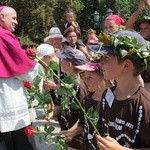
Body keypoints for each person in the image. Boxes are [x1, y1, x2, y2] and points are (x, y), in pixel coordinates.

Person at [94, 31, 150, 149]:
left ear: (126, 65)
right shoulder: (107, 94)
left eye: (106, 58)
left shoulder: (145, 105)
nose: (100, 63)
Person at [0, 6, 38, 150]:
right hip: (7, 96)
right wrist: (36, 66)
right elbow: (22, 69)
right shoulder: (3, 35)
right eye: (13, 18)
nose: (16, 22)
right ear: (2, 17)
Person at [61, 62, 112, 150]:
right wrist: (71, 132)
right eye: (84, 77)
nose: (85, 80)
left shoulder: (112, 102)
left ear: (105, 78)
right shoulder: (87, 98)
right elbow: (82, 123)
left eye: (90, 78)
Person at [52, 48, 89, 149]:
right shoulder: (65, 83)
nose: (60, 62)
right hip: (66, 132)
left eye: (63, 60)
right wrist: (51, 114)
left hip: (77, 137)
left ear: (69, 65)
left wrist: (72, 132)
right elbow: (60, 104)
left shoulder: (80, 87)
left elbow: (84, 115)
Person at [36, 43, 60, 119]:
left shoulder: (61, 67)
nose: (39, 62)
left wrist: (56, 87)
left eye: (40, 60)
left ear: (48, 57)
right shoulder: (45, 66)